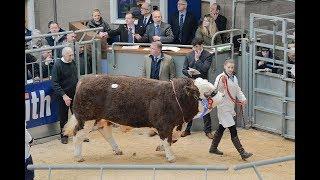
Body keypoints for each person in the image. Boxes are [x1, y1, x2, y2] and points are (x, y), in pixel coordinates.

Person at [209, 59, 253, 160]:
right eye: (228, 67)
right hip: (223, 107)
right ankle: (242, 152)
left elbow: (237, 90)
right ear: (224, 67)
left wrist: (243, 99)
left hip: (230, 107)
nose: (230, 69)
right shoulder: (220, 77)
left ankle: (213, 148)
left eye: (232, 67)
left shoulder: (234, 78)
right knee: (233, 129)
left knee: (221, 127)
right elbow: (214, 91)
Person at [181, 38, 214, 139]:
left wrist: (197, 59)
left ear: (201, 45)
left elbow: (204, 70)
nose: (195, 49)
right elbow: (183, 69)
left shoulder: (208, 55)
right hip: (192, 83)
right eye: (194, 47)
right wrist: (189, 72)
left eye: (197, 46)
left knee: (205, 107)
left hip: (203, 84)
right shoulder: (189, 54)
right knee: (190, 106)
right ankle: (187, 130)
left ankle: (208, 130)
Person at [142, 41, 176, 136]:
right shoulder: (146, 58)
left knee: (162, 110)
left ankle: (162, 128)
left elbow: (173, 76)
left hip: (163, 90)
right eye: (150, 48)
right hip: (149, 88)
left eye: (152, 48)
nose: (150, 50)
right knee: (150, 109)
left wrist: (169, 89)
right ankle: (152, 128)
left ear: (159, 49)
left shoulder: (169, 59)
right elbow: (144, 74)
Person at [51, 47, 78, 144]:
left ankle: (77, 133)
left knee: (76, 114)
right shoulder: (58, 65)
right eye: (69, 55)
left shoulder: (72, 62)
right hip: (63, 95)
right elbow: (54, 83)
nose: (72, 57)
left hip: (74, 93)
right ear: (63, 55)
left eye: (72, 55)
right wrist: (64, 96)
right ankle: (64, 135)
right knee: (63, 116)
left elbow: (75, 77)